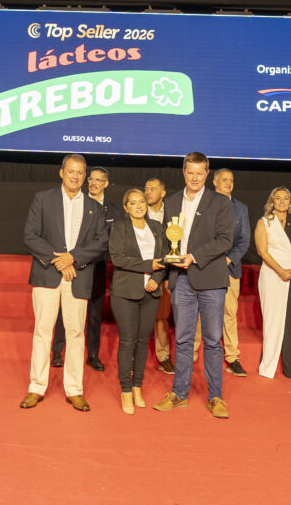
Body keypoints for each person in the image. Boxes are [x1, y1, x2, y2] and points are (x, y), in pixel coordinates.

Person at [20, 154, 109, 411]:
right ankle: (36, 387)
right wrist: (60, 261)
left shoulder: (94, 207)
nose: (75, 176)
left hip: (79, 276)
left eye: (80, 172)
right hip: (47, 274)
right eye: (71, 171)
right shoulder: (43, 199)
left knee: (76, 333)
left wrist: (74, 258)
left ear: (85, 176)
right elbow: (31, 236)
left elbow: (101, 242)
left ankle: (74, 389)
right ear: (62, 173)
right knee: (42, 331)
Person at [153, 152, 233, 419]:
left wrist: (194, 256)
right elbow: (168, 242)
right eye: (190, 173)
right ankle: (179, 393)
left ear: (207, 174)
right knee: (183, 339)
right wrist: (168, 269)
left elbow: (225, 240)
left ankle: (215, 396)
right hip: (182, 280)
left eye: (200, 173)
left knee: (212, 341)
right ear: (183, 172)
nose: (195, 178)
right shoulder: (172, 201)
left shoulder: (220, 202)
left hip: (211, 280)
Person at [52, 166, 120, 371]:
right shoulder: (77, 202)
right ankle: (57, 351)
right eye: (91, 179)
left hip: (98, 266)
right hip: (74, 265)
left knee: (95, 313)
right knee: (66, 309)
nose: (93, 183)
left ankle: (92, 354)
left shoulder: (114, 210)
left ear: (106, 184)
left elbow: (112, 240)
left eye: (99, 180)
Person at [108, 188, 167, 414]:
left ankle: (137, 387)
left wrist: (156, 278)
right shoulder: (119, 227)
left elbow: (165, 259)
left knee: (143, 342)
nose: (139, 206)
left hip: (151, 293)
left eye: (141, 201)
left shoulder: (157, 227)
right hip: (125, 292)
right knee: (128, 341)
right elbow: (118, 258)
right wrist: (147, 266)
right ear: (126, 207)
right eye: (133, 203)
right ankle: (125, 390)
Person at [191, 169, 251, 376]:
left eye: (231, 180)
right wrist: (208, 258)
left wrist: (228, 259)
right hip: (205, 266)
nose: (229, 183)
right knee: (199, 313)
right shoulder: (203, 203)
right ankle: (191, 355)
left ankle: (233, 357)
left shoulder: (241, 208)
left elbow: (244, 240)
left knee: (229, 313)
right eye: (225, 180)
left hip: (229, 268)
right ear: (215, 182)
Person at [255, 186, 291, 378]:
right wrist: (281, 271)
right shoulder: (264, 222)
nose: (282, 201)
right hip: (272, 275)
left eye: (286, 198)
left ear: (290, 202)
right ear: (272, 202)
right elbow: (262, 251)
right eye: (278, 198)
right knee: (272, 319)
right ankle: (268, 367)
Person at [144, 177, 175, 374]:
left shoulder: (173, 214)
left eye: (152, 189)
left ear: (163, 193)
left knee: (161, 317)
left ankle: (163, 356)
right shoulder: (137, 211)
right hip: (141, 270)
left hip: (165, 272)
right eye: (146, 189)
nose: (147, 192)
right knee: (137, 317)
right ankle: (133, 356)